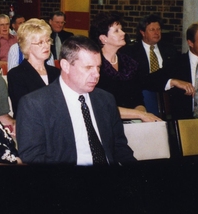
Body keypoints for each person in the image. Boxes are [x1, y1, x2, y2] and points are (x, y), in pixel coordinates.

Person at [17, 35, 136, 165]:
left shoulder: (105, 99)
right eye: (88, 67)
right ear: (65, 66)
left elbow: (119, 147)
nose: (96, 74)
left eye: (98, 67)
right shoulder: (35, 104)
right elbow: (33, 157)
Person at [89, 12, 162, 122]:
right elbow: (102, 107)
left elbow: (138, 99)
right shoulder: (94, 67)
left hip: (132, 120)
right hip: (104, 122)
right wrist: (139, 115)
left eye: (121, 29)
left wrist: (140, 117)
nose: (123, 33)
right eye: (117, 31)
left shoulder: (129, 63)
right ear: (103, 38)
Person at [121, 14, 191, 115]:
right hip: (143, 93)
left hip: (168, 92)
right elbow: (136, 79)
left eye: (158, 29)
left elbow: (176, 72)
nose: (156, 33)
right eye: (152, 30)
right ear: (142, 32)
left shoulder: (170, 50)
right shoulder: (131, 52)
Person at [7, 18, 60, 116]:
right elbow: (23, 108)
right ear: (27, 46)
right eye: (40, 42)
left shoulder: (56, 73)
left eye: (48, 41)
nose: (46, 46)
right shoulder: (16, 75)